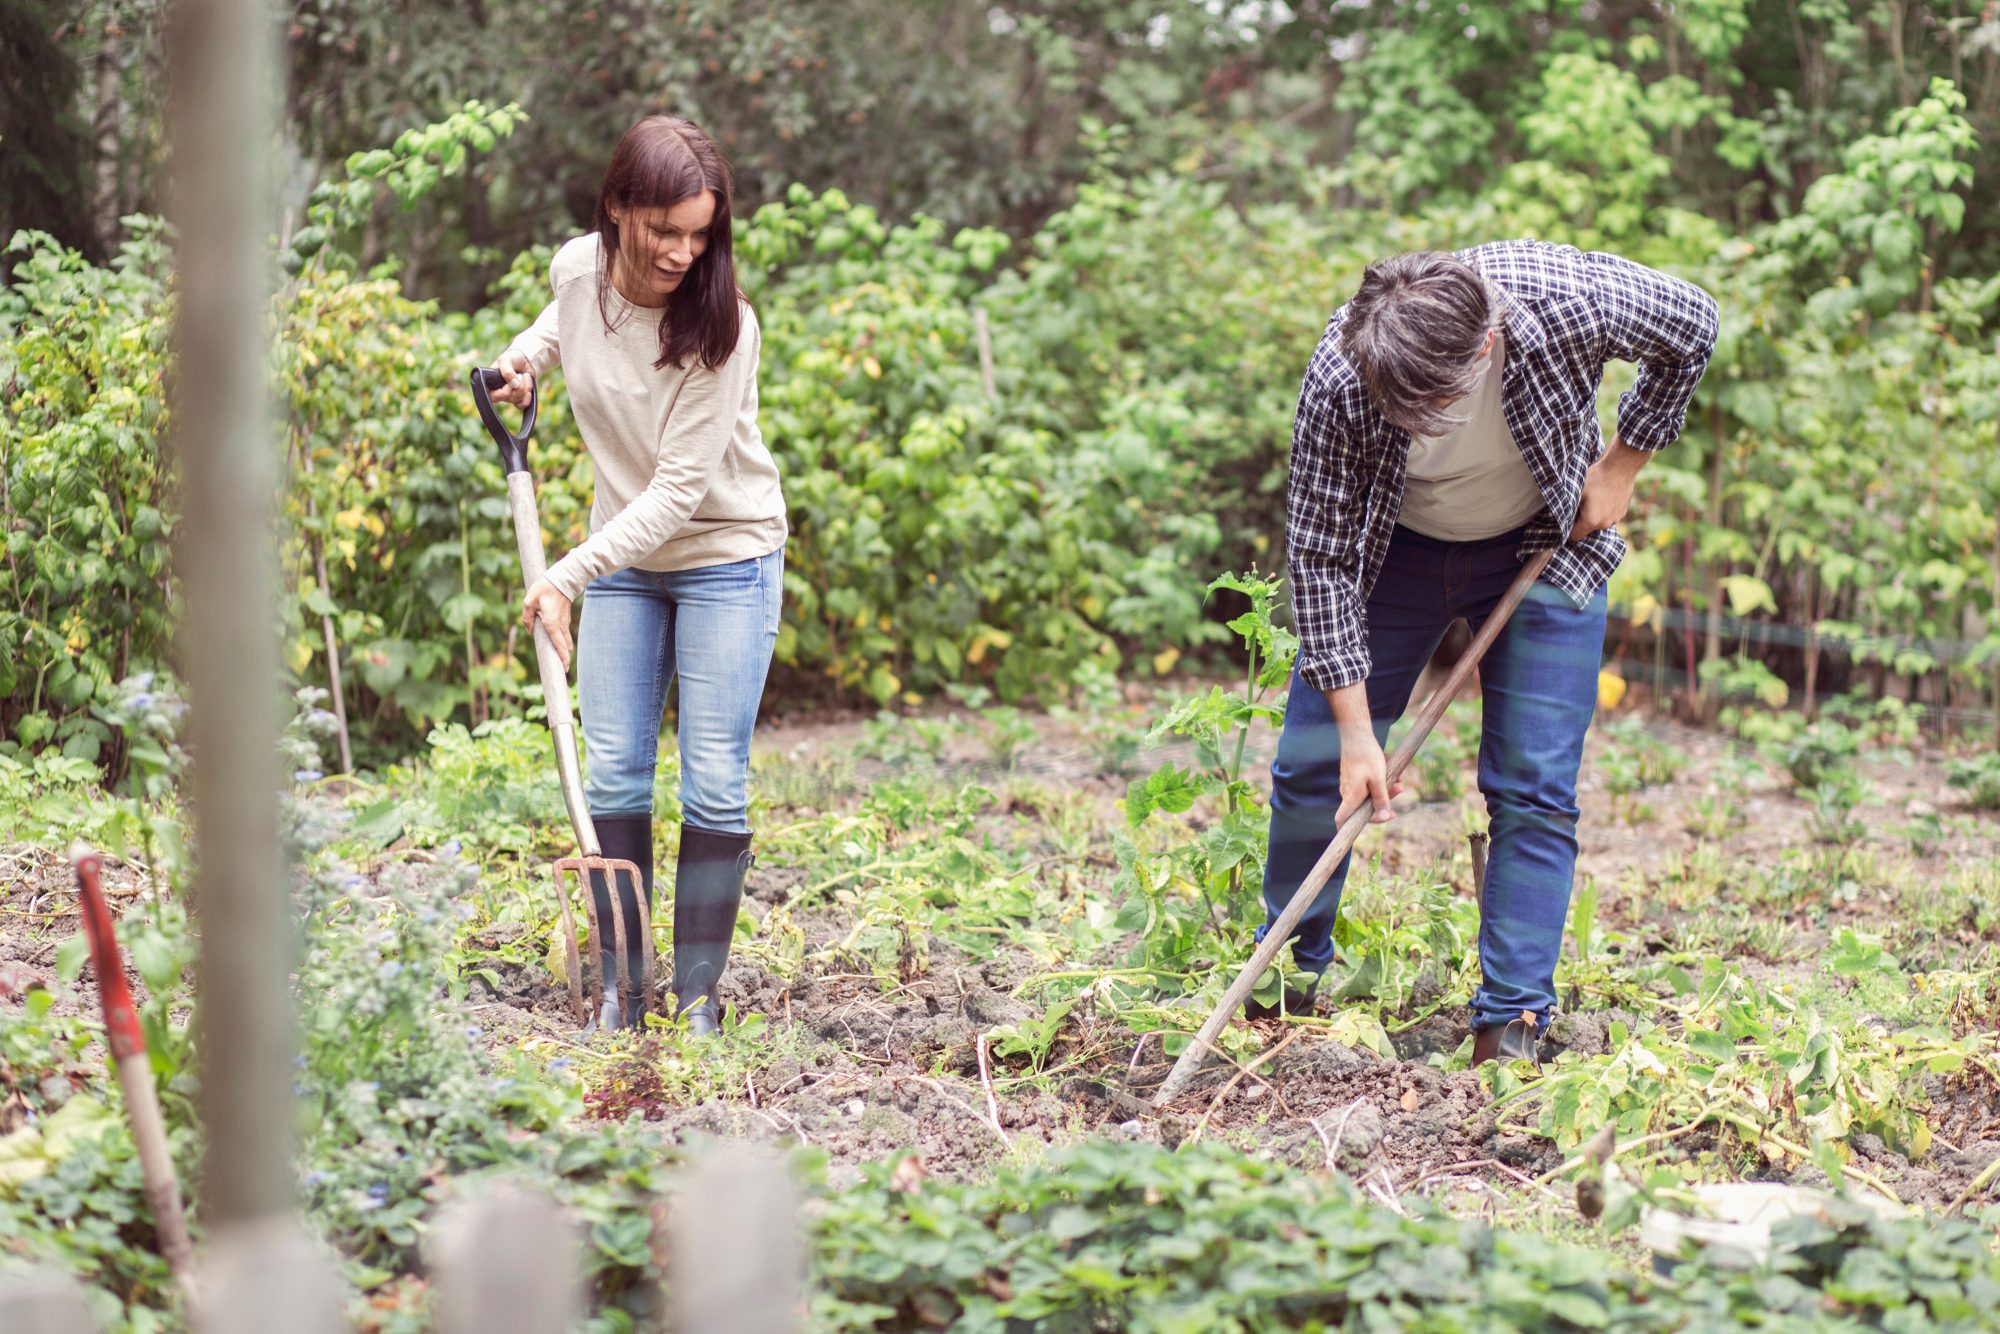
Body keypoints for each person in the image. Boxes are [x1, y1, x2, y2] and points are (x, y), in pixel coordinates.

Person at [1262, 241, 1718, 1065]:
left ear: (1485, 346)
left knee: (1533, 785)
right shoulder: (1343, 371)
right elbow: (1323, 558)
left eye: (1424, 404)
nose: (1403, 416)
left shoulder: (1565, 300)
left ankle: (1511, 1023)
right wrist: (1360, 736)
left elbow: (1694, 322)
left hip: (1543, 545)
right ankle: (1286, 981)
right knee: (1312, 763)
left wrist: (1621, 463)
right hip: (1391, 554)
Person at [490, 115, 787, 1034]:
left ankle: (696, 998)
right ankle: (622, 985)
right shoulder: (578, 267)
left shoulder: (724, 325)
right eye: (666, 230)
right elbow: (562, 321)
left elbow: (678, 492)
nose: (683, 252)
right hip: (620, 560)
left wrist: (567, 576)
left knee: (712, 780)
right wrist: (523, 362)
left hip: (723, 556)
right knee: (615, 770)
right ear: (619, 208)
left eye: (701, 233)